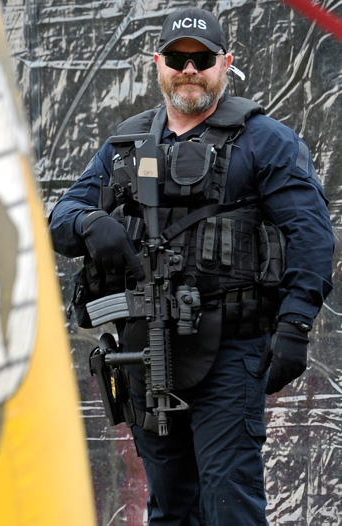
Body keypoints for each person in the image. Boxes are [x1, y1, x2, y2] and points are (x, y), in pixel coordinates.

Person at [49, 7, 334, 525]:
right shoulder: (125, 146)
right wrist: (91, 223)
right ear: (157, 63)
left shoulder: (264, 140)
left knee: (229, 502)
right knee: (170, 507)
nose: (189, 69)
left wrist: (295, 325)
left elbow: (310, 234)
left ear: (225, 63)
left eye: (202, 59)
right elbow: (59, 218)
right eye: (177, 58)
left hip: (230, 350)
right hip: (146, 350)